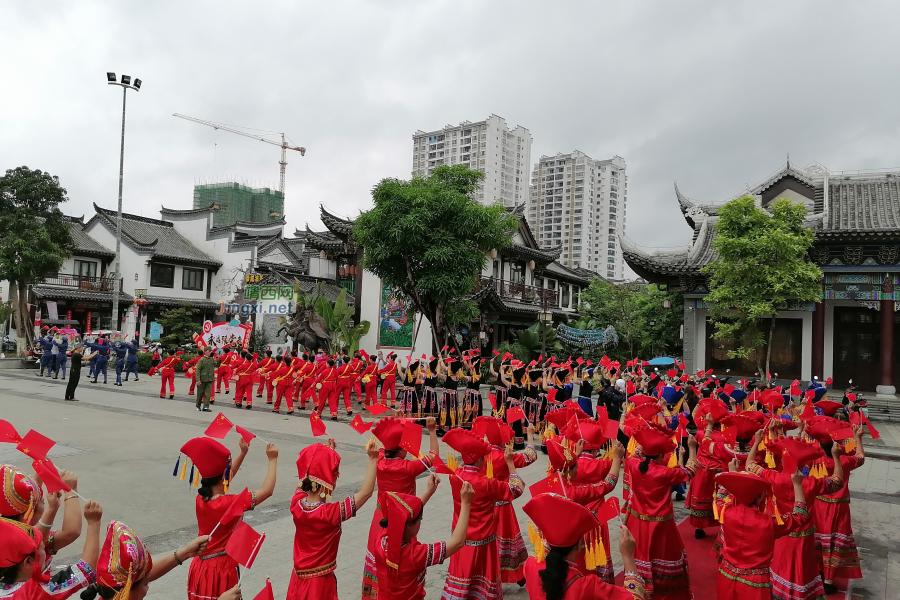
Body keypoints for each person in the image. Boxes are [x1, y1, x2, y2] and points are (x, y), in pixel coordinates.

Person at [745, 426, 844, 600]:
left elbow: (750, 465)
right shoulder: (811, 483)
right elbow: (837, 481)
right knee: (802, 568)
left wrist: (757, 442)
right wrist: (836, 457)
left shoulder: (773, 477)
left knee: (779, 564)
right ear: (803, 463)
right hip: (804, 534)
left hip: (781, 531)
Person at [181, 436, 278, 600]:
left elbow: (225, 477)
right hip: (220, 570)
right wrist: (273, 459)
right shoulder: (229, 503)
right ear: (223, 476)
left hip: (199, 566)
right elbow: (267, 491)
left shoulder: (201, 499)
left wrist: (243, 453)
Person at [440, 428, 525, 600]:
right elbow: (516, 489)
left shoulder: (454, 477)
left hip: (460, 538)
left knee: (462, 577)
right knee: (483, 580)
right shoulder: (485, 484)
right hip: (483, 541)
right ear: (479, 460)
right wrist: (510, 463)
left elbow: (463, 469)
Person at [287, 438, 378, 600]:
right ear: (330, 481)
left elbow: (303, 481)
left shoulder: (297, 504)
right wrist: (373, 459)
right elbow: (366, 493)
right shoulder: (330, 513)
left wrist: (324, 456)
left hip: (297, 579)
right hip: (319, 584)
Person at [362, 417, 439, 600]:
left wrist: (398, 423)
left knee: (379, 557)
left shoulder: (380, 459)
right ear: (402, 449)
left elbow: (383, 446)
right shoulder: (408, 467)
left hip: (380, 517)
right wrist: (432, 430)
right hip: (402, 522)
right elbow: (433, 455)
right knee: (400, 560)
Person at [522, 494, 648, 600]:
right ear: (580, 545)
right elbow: (634, 597)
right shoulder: (586, 586)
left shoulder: (530, 564)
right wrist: (627, 556)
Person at [623, 425, 699, 600]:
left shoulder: (633, 464)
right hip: (660, 525)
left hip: (637, 522)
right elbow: (690, 471)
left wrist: (646, 443)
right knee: (663, 556)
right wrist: (692, 449)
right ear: (659, 456)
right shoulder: (664, 473)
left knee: (639, 555)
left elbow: (635, 454)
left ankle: (640, 587)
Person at [715, 469, 811, 600]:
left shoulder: (726, 512)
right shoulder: (769, 523)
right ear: (760, 497)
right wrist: (798, 485)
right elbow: (800, 516)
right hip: (755, 583)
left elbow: (719, 498)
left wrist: (732, 473)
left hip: (726, 575)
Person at [374, 482, 475, 600]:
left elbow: (404, 514)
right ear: (409, 525)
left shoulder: (381, 538)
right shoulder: (414, 555)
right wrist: (466, 503)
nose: (420, 523)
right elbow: (458, 542)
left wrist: (429, 492)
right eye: (420, 520)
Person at [78, 520, 225, 600]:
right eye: (146, 583)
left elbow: (139, 577)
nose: (148, 587)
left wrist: (185, 553)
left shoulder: (112, 593)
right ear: (127, 590)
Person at [473, 417, 537, 585]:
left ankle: (489, 573)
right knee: (508, 540)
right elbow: (530, 456)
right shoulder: (504, 456)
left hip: (484, 507)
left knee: (489, 541)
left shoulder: (480, 456)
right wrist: (530, 435)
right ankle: (516, 574)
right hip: (503, 507)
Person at [0, 501, 103, 599]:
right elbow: (86, 569)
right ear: (28, 562)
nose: (46, 555)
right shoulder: (35, 593)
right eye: (43, 549)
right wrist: (94, 522)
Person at [808, 422, 866, 593]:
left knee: (818, 536)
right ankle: (829, 579)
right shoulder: (845, 461)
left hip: (818, 505)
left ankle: (818, 569)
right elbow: (861, 457)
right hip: (839, 508)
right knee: (834, 539)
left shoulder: (813, 461)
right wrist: (858, 438)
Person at [0, 464, 83, 568]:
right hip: (32, 583)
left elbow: (27, 497)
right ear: (30, 511)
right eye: (43, 502)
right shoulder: (31, 541)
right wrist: (70, 490)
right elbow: (71, 532)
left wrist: (42, 467)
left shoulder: (5, 526)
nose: (45, 504)